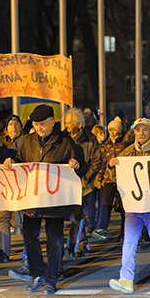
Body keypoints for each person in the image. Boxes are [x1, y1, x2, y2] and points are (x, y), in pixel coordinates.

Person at [3, 105, 87, 295]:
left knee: (54, 239)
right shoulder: (28, 141)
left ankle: (51, 279)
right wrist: (12, 162)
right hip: (32, 200)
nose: (38, 127)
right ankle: (38, 273)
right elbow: (20, 159)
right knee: (28, 234)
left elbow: (82, 165)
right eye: (35, 124)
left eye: (41, 124)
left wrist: (76, 164)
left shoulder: (64, 141)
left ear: (52, 122)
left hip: (55, 201)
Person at [108, 118, 150, 293]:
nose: (141, 133)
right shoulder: (126, 153)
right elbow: (115, 178)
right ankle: (126, 279)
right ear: (134, 132)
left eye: (145, 130)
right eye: (138, 130)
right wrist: (112, 167)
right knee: (129, 243)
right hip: (133, 207)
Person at [0, 114, 27, 264]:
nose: (14, 127)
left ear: (21, 127)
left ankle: (27, 250)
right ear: (6, 128)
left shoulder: (25, 141)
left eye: (17, 124)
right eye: (11, 124)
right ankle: (4, 251)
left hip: (22, 185)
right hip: (4, 186)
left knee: (25, 219)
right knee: (4, 218)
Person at [64, 108, 102, 259]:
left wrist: (86, 178)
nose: (66, 126)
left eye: (69, 123)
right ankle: (83, 244)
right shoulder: (63, 138)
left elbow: (97, 161)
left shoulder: (90, 139)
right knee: (76, 216)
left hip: (84, 185)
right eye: (66, 123)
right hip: (66, 184)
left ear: (78, 125)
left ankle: (71, 247)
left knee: (78, 215)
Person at [93, 117, 126, 240]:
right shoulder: (105, 146)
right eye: (110, 130)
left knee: (123, 207)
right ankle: (102, 229)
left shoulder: (124, 145)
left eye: (114, 130)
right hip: (108, 179)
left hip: (122, 180)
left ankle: (124, 232)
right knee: (105, 203)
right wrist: (99, 177)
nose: (112, 132)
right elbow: (102, 163)